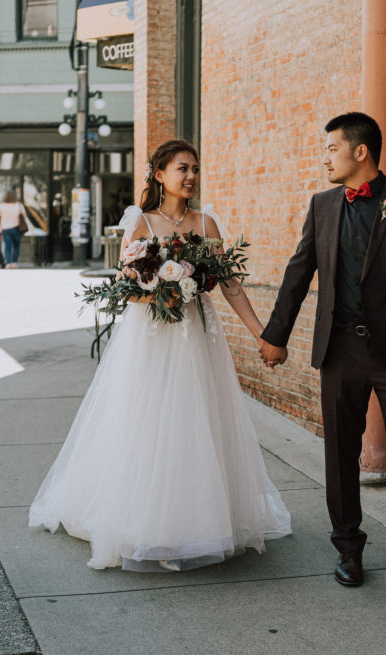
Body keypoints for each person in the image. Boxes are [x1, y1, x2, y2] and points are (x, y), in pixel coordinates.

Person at [29, 139, 292, 571]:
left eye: (194, 169)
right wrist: (156, 293)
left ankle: (198, 519)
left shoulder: (207, 225)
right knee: (149, 424)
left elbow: (229, 285)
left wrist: (263, 334)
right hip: (152, 338)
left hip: (198, 338)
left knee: (198, 422)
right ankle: (150, 523)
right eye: (181, 169)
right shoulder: (142, 224)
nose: (190, 177)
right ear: (159, 175)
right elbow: (124, 286)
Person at [259, 113, 386, 596]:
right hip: (339, 349)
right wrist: (276, 334)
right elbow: (298, 271)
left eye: (331, 148)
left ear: (359, 151)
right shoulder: (322, 206)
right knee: (341, 452)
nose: (324, 156)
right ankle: (348, 548)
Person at [0, 191, 26, 268]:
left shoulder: (1, 206)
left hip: (5, 228)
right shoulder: (19, 205)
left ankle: (7, 263)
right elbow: (24, 216)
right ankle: (14, 262)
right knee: (16, 246)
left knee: (7, 246)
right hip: (16, 228)